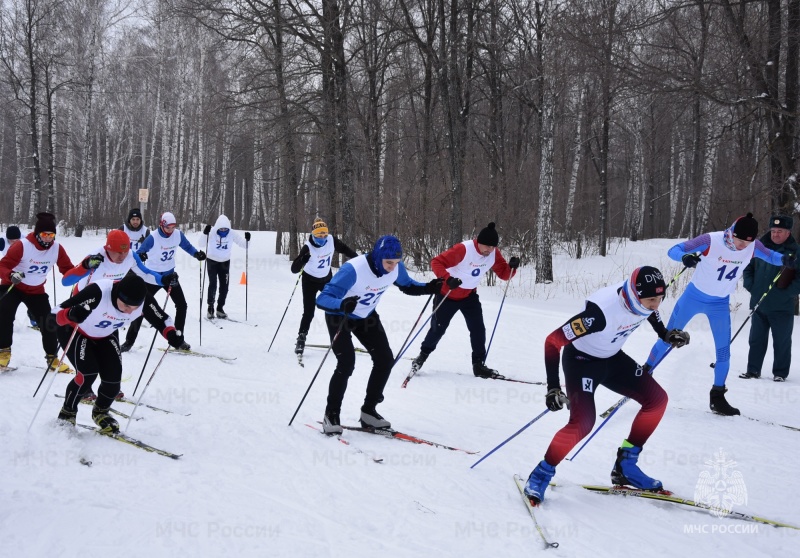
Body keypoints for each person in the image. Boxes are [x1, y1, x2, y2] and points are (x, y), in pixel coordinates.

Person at [522, 266, 691, 504]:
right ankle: (541, 474)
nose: (656, 305)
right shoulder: (599, 314)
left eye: (660, 299)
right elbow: (552, 341)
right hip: (581, 361)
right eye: (652, 299)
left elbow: (649, 312)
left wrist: (665, 334)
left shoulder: (641, 301)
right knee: (583, 422)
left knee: (657, 401)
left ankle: (626, 466)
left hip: (612, 358)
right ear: (634, 293)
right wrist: (552, 387)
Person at [643, 213, 796, 416]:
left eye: (747, 242)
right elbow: (674, 250)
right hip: (693, 298)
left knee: (723, 352)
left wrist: (784, 259)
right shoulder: (711, 240)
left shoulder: (753, 246)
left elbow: (770, 255)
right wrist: (685, 257)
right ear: (732, 233)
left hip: (719, 304)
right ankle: (643, 376)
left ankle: (717, 397)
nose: (742, 246)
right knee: (667, 337)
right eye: (739, 240)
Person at [315, 235, 442, 434]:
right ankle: (331, 414)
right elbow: (323, 298)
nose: (393, 267)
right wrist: (341, 304)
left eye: (397, 263)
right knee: (346, 363)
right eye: (388, 262)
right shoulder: (353, 269)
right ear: (378, 257)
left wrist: (430, 287)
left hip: (366, 316)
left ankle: (369, 411)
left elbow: (407, 286)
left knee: (384, 360)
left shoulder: (395, 268)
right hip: (340, 315)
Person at [53, 274, 187, 433]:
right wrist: (70, 314)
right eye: (126, 305)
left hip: (104, 334)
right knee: (88, 373)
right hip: (76, 331)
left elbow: (162, 319)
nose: (129, 311)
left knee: (113, 378)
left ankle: (101, 412)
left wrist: (171, 334)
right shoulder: (99, 291)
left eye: (134, 308)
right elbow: (54, 314)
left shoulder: (143, 300)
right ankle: (67, 412)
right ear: (117, 294)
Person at [409, 222, 519, 379]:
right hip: (448, 295)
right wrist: (448, 279)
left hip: (469, 296)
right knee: (438, 329)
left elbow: (504, 274)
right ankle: (421, 357)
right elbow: (436, 262)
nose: (489, 249)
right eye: (486, 246)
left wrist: (512, 268)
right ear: (478, 241)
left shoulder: (493, 253)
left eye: (492, 246)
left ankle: (478, 365)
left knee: (478, 329)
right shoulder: (464, 249)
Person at [0, 212, 75, 372]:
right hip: (13, 286)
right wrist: (11, 275)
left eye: (51, 235)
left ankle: (52, 358)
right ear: (37, 233)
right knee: (5, 316)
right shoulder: (22, 246)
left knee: (48, 322)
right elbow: (3, 265)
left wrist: (83, 273)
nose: (48, 238)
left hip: (36, 290)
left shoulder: (56, 249)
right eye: (44, 234)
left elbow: (67, 269)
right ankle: (3, 353)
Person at [121, 211, 206, 352]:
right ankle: (129, 341)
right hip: (152, 278)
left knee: (182, 305)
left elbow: (187, 246)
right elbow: (139, 253)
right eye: (168, 228)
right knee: (140, 308)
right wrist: (141, 255)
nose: (171, 231)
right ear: (162, 225)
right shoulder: (153, 237)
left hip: (170, 276)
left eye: (173, 227)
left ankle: (179, 339)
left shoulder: (178, 235)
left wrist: (197, 254)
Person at [740, 215, 800, 382]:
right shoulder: (759, 247)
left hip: (782, 307)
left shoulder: (795, 252)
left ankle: (780, 373)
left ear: (788, 232)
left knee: (781, 342)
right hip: (759, 303)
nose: (775, 234)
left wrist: (786, 293)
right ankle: (753, 370)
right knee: (756, 339)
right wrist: (751, 286)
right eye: (773, 231)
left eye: (779, 231)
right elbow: (747, 267)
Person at [290, 218, 357, 356]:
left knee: (336, 307)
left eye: (324, 235)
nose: (322, 238)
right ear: (313, 235)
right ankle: (301, 338)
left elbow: (345, 249)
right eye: (319, 235)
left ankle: (341, 338)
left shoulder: (332, 241)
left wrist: (358, 259)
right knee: (309, 312)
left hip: (326, 280)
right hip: (309, 281)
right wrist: (302, 260)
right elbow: (294, 269)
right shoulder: (308, 247)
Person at [62, 229, 169, 294]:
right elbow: (66, 281)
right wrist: (85, 266)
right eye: (118, 252)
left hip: (108, 300)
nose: (122, 256)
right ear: (108, 249)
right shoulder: (96, 258)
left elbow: (145, 274)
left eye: (125, 251)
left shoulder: (131, 256)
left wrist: (164, 280)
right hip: (83, 298)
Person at [202, 215, 251, 319]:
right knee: (213, 284)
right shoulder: (212, 232)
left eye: (225, 229)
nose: (223, 231)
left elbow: (244, 245)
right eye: (221, 229)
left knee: (224, 286)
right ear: (217, 227)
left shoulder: (232, 233)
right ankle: (210, 307)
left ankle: (220, 308)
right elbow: (201, 243)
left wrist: (248, 240)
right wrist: (205, 234)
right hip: (212, 261)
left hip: (224, 262)